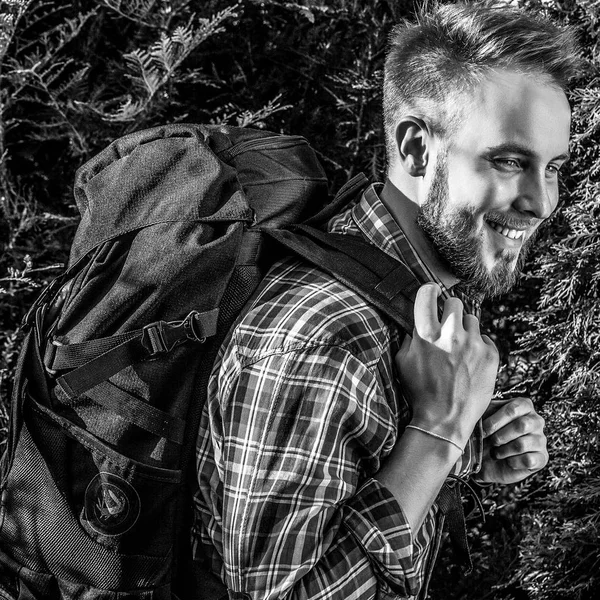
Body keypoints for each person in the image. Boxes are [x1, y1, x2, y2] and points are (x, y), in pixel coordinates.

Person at [191, 2, 580, 598]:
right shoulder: (321, 335)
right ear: (417, 149)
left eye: (552, 168)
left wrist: (467, 453)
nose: (542, 201)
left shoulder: (409, 297)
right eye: (509, 161)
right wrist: (439, 433)